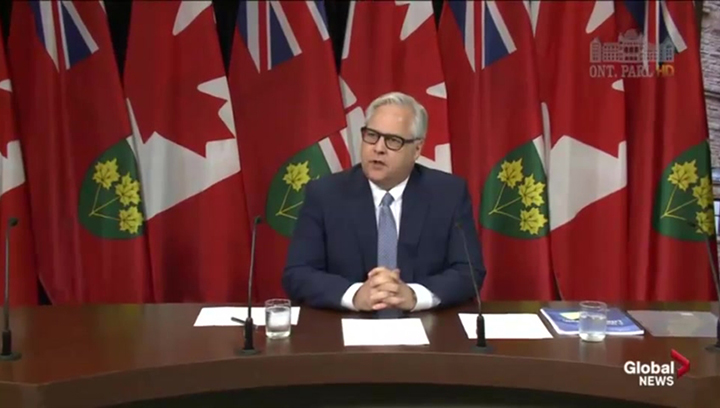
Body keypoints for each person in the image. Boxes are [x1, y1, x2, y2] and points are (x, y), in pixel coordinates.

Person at [282, 91, 486, 313]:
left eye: (393, 141)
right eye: (372, 135)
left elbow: (469, 271)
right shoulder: (325, 194)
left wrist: (414, 295)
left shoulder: (448, 194)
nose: (378, 148)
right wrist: (355, 295)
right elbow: (298, 273)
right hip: (345, 325)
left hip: (425, 325)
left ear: (417, 149)